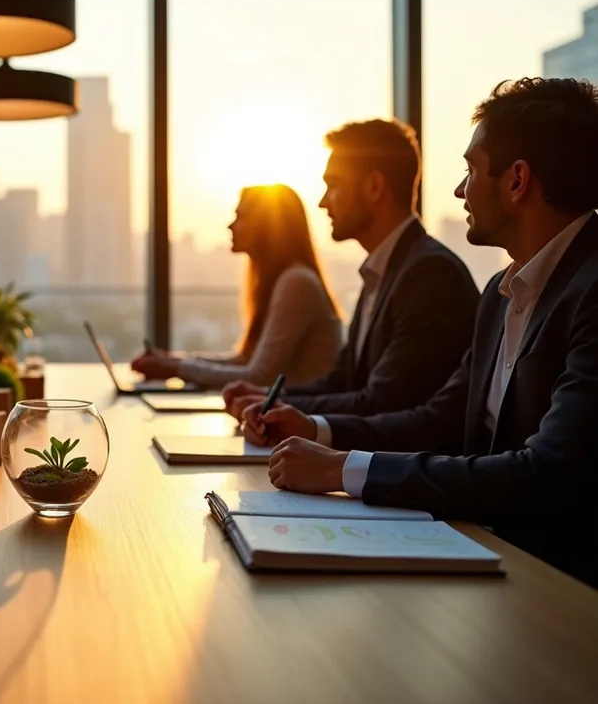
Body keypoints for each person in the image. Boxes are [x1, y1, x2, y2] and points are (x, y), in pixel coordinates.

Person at [243, 78, 598, 587]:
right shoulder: (501, 292)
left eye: (471, 169)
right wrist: (319, 433)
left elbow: (547, 476)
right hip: (485, 552)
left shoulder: (592, 288)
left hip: (561, 590)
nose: (458, 190)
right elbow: (442, 420)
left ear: (517, 181)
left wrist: (343, 469)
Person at [221, 119, 478, 421]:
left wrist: (280, 409)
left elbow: (383, 402)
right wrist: (268, 399)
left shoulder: (430, 274)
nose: (322, 202)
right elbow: (341, 382)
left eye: (333, 185)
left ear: (373, 187)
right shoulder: (386, 270)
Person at [131, 184, 342, 389]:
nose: (230, 226)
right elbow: (246, 360)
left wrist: (176, 368)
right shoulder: (286, 280)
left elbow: (258, 376)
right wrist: (175, 361)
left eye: (241, 216)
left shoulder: (297, 283)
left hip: (301, 416)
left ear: (266, 224)